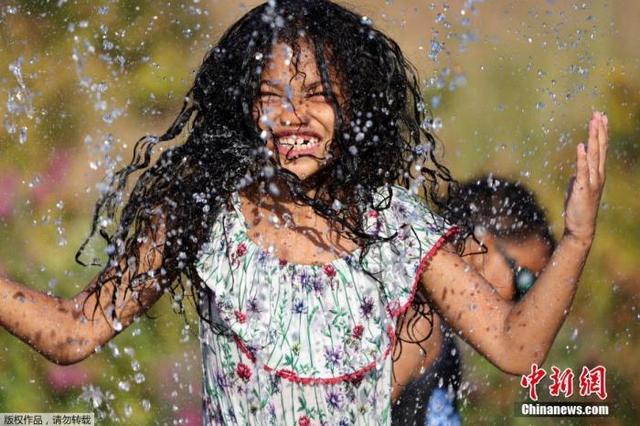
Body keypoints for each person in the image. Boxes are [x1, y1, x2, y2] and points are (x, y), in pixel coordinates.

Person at [0, 1, 607, 425]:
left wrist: (577, 238)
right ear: (246, 110)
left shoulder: (393, 228)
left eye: (318, 96)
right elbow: (73, 332)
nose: (294, 116)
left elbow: (514, 347)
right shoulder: (203, 214)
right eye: (272, 97)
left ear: (352, 107)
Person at [392, 175, 556, 425]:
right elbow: (352, 414)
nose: (526, 305)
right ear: (480, 245)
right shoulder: (419, 325)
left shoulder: (435, 327)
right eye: (525, 283)